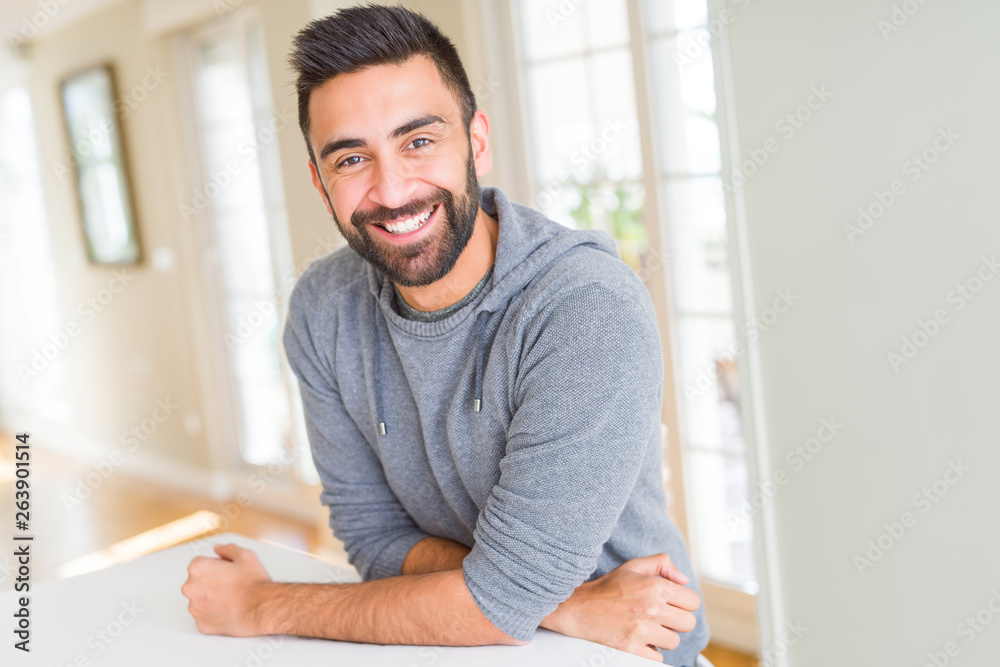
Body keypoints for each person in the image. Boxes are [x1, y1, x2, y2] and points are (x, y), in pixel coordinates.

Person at [181, 5, 710, 664]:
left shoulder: (583, 307)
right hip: (462, 641)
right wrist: (562, 601)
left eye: (419, 141)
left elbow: (498, 600)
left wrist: (262, 605)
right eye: (352, 158)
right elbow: (374, 538)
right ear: (322, 183)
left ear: (476, 141)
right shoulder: (324, 309)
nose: (392, 188)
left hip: (625, 650)